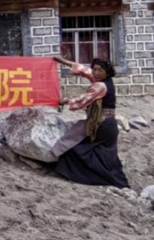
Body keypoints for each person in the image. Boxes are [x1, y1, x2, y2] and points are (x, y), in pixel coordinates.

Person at [51, 55, 129, 189]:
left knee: (76, 149)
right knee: (106, 155)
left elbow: (83, 100)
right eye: (95, 69)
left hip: (102, 126)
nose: (96, 73)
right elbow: (84, 70)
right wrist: (64, 61)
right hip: (109, 125)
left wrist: (66, 101)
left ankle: (90, 177)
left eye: (100, 70)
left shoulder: (100, 86)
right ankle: (118, 182)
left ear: (107, 72)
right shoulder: (106, 81)